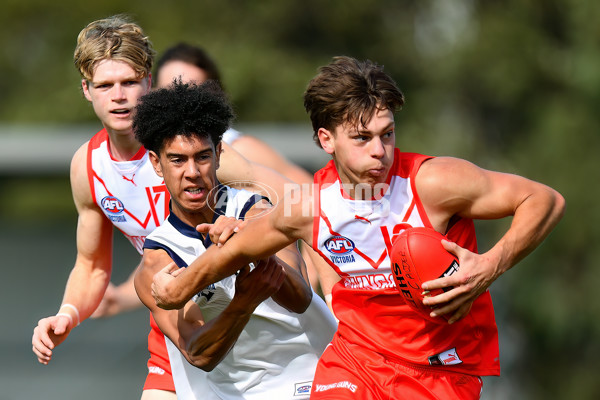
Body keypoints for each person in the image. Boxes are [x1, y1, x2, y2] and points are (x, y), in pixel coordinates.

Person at [150, 56, 566, 399]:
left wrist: (490, 265)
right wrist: (179, 287)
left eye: (388, 135)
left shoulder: (434, 183)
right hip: (355, 363)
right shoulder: (310, 205)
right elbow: (238, 250)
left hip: (440, 371)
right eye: (362, 138)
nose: (380, 152)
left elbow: (544, 200)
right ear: (326, 140)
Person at [30, 15, 297, 400]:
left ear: (149, 83)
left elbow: (295, 206)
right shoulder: (87, 166)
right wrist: (67, 314)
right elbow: (91, 266)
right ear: (86, 90)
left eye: (129, 82)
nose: (119, 96)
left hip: (256, 314)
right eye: (105, 85)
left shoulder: (191, 149)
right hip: (178, 323)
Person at [133, 80, 337, 399]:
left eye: (202, 156)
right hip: (230, 393)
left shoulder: (257, 209)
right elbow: (200, 354)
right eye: (177, 160)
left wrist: (248, 247)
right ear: (157, 164)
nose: (192, 171)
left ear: (218, 154)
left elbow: (299, 298)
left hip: (310, 377)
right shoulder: (157, 261)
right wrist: (243, 301)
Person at [154, 42, 340, 304]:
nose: (183, 97)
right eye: (170, 89)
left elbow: (310, 206)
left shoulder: (233, 152)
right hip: (192, 317)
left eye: (195, 89)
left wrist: (330, 293)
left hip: (272, 321)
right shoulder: (110, 160)